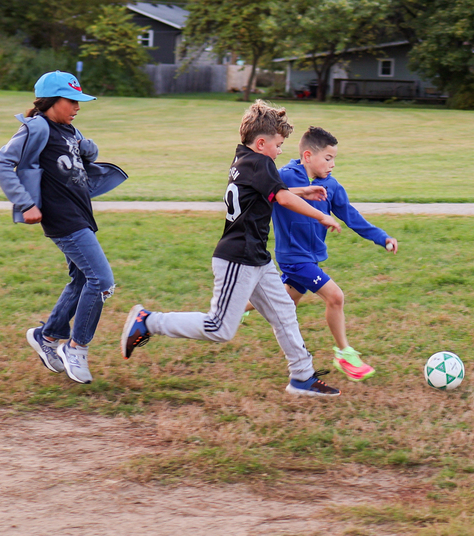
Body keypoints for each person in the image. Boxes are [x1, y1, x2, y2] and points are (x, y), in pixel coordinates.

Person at [120, 101, 344, 397]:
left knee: (285, 312)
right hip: (238, 258)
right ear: (262, 142)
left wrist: (303, 190)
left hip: (256, 259)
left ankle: (302, 376)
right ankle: (147, 321)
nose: (279, 152)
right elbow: (283, 198)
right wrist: (321, 214)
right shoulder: (262, 163)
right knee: (219, 328)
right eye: (277, 145)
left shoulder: (244, 160)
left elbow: (269, 192)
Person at [0, 70, 128, 384]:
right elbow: (1, 163)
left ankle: (48, 336)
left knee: (82, 279)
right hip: (62, 218)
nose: (78, 107)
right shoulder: (38, 127)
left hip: (80, 214)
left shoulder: (69, 129)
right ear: (52, 101)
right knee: (103, 281)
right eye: (72, 101)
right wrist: (25, 203)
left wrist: (87, 149)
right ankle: (76, 348)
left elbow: (77, 162)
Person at [264, 125, 398, 382]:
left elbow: (352, 217)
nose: (332, 164)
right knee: (335, 297)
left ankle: (239, 308)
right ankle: (344, 354)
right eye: (328, 158)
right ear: (307, 156)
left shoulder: (332, 187)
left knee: (283, 302)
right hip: (293, 258)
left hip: (311, 258)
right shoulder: (284, 177)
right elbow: (265, 196)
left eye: (334, 159)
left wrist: (383, 238)